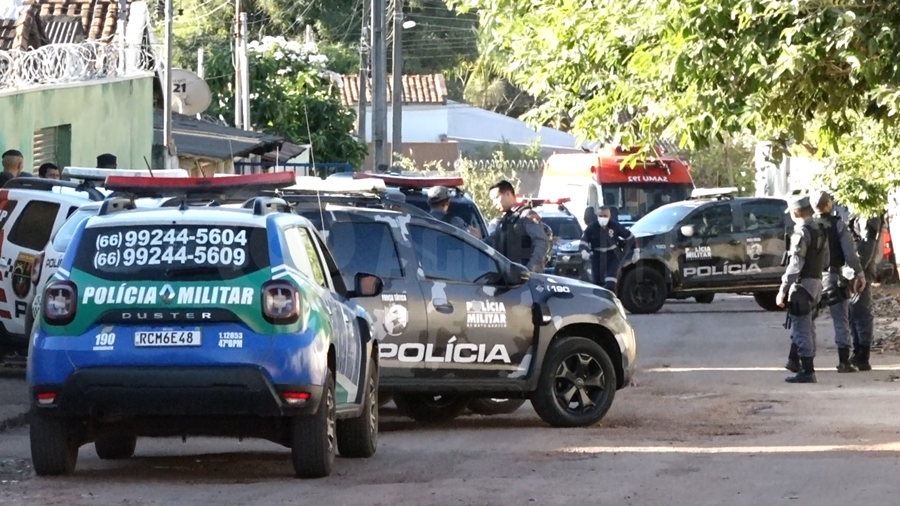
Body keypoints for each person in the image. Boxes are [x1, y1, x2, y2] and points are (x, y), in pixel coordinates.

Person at [811, 190, 866, 373]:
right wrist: (859, 273)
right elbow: (850, 253)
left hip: (810, 279)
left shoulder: (807, 227)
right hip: (833, 278)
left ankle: (798, 359)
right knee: (840, 320)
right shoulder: (838, 226)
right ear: (829, 205)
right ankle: (844, 362)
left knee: (806, 319)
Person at [778, 195, 828, 383]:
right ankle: (802, 364)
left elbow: (796, 263)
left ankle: (807, 370)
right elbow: (826, 259)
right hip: (816, 282)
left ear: (795, 213)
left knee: (801, 328)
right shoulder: (820, 230)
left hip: (802, 285)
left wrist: (783, 288)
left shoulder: (801, 232)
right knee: (809, 326)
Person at [847, 210, 884, 371]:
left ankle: (862, 355)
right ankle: (858, 352)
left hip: (862, 271)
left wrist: (858, 271)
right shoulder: (858, 212)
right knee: (854, 313)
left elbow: (868, 244)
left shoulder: (870, 213)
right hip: (857, 270)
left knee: (861, 313)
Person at [486, 180, 549, 273]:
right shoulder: (505, 220)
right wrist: (477, 238)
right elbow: (493, 241)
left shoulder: (526, 215)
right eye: (492, 200)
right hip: (511, 276)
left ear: (508, 194)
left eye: (496, 198)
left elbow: (541, 242)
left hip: (526, 278)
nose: (494, 203)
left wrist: (530, 270)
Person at [579, 206, 634, 291]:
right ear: (597, 216)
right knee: (597, 285)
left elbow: (630, 237)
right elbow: (583, 242)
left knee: (610, 284)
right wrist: (584, 251)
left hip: (612, 257)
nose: (603, 218)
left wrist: (635, 251)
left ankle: (611, 301)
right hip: (597, 257)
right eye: (600, 216)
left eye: (605, 216)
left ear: (609, 216)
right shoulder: (591, 228)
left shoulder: (615, 226)